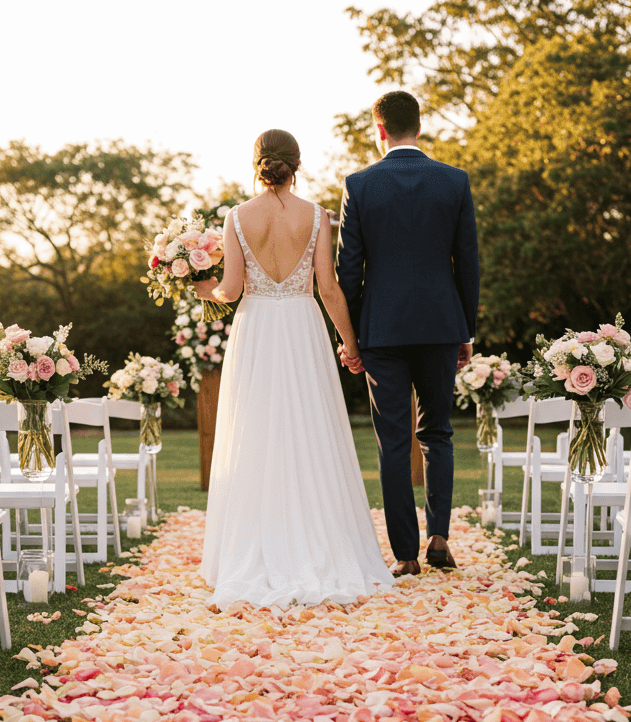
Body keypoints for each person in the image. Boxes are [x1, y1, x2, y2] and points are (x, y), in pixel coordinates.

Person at [197, 129, 393, 609]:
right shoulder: (318, 216)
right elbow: (328, 288)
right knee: (311, 430)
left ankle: (254, 547)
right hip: (303, 327)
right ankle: (319, 539)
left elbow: (231, 288)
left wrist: (204, 289)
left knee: (257, 433)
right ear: (296, 163)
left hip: (257, 330)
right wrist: (351, 344)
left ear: (257, 163)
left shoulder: (236, 216)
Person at [336, 90, 479, 576]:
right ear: (419, 126)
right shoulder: (454, 181)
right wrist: (467, 330)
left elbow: (347, 270)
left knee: (393, 440)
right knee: (438, 432)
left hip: (383, 331)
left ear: (380, 130)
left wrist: (352, 339)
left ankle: (405, 555)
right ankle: (439, 535)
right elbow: (469, 265)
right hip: (441, 325)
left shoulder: (359, 184)